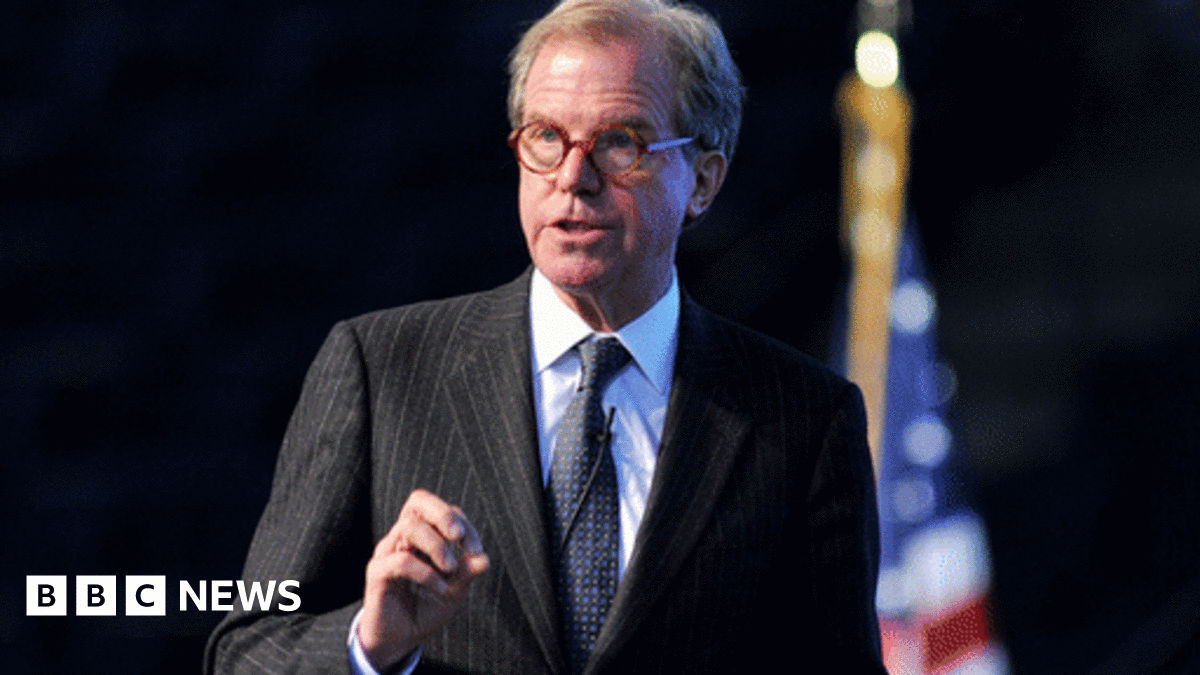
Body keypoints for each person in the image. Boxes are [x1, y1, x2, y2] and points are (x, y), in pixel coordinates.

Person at [205, 1, 887, 673]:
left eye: (620, 142)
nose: (572, 178)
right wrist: (369, 646)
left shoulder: (804, 417)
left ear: (702, 182)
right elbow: (246, 652)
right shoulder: (380, 369)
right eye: (546, 137)